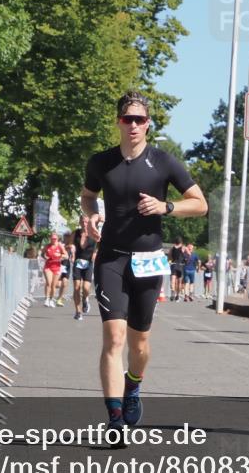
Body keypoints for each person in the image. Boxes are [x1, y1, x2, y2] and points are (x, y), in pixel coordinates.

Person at [80, 91, 207, 438]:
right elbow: (88, 196)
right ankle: (115, 419)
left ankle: (133, 385)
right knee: (114, 338)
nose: (133, 125)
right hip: (111, 258)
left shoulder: (164, 162)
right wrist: (89, 216)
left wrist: (166, 207)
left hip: (149, 261)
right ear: (119, 122)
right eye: (127, 119)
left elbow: (200, 204)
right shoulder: (100, 162)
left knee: (139, 345)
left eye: (140, 119)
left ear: (148, 124)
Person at [69, 217, 99, 321]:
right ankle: (78, 312)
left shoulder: (94, 233)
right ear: (80, 222)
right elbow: (70, 244)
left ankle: (85, 299)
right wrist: (71, 248)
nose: (84, 223)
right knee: (76, 287)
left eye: (86, 221)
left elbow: (98, 246)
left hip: (88, 263)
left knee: (86, 288)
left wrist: (95, 254)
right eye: (82, 221)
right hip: (77, 262)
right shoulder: (75, 233)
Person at [41, 232, 67, 307]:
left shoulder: (60, 246)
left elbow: (66, 256)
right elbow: (42, 254)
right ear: (50, 239)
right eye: (52, 239)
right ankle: (46, 299)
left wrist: (60, 255)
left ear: (57, 239)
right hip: (48, 266)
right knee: (49, 283)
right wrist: (45, 257)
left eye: (55, 239)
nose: (53, 240)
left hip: (57, 267)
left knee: (53, 285)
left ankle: (51, 299)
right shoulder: (47, 246)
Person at [169, 237, 185, 301]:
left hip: (174, 264)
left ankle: (173, 292)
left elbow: (169, 256)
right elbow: (189, 254)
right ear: (181, 242)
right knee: (179, 282)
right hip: (180, 265)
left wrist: (170, 261)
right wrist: (185, 260)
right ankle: (178, 295)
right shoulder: (183, 247)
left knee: (173, 280)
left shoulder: (172, 248)